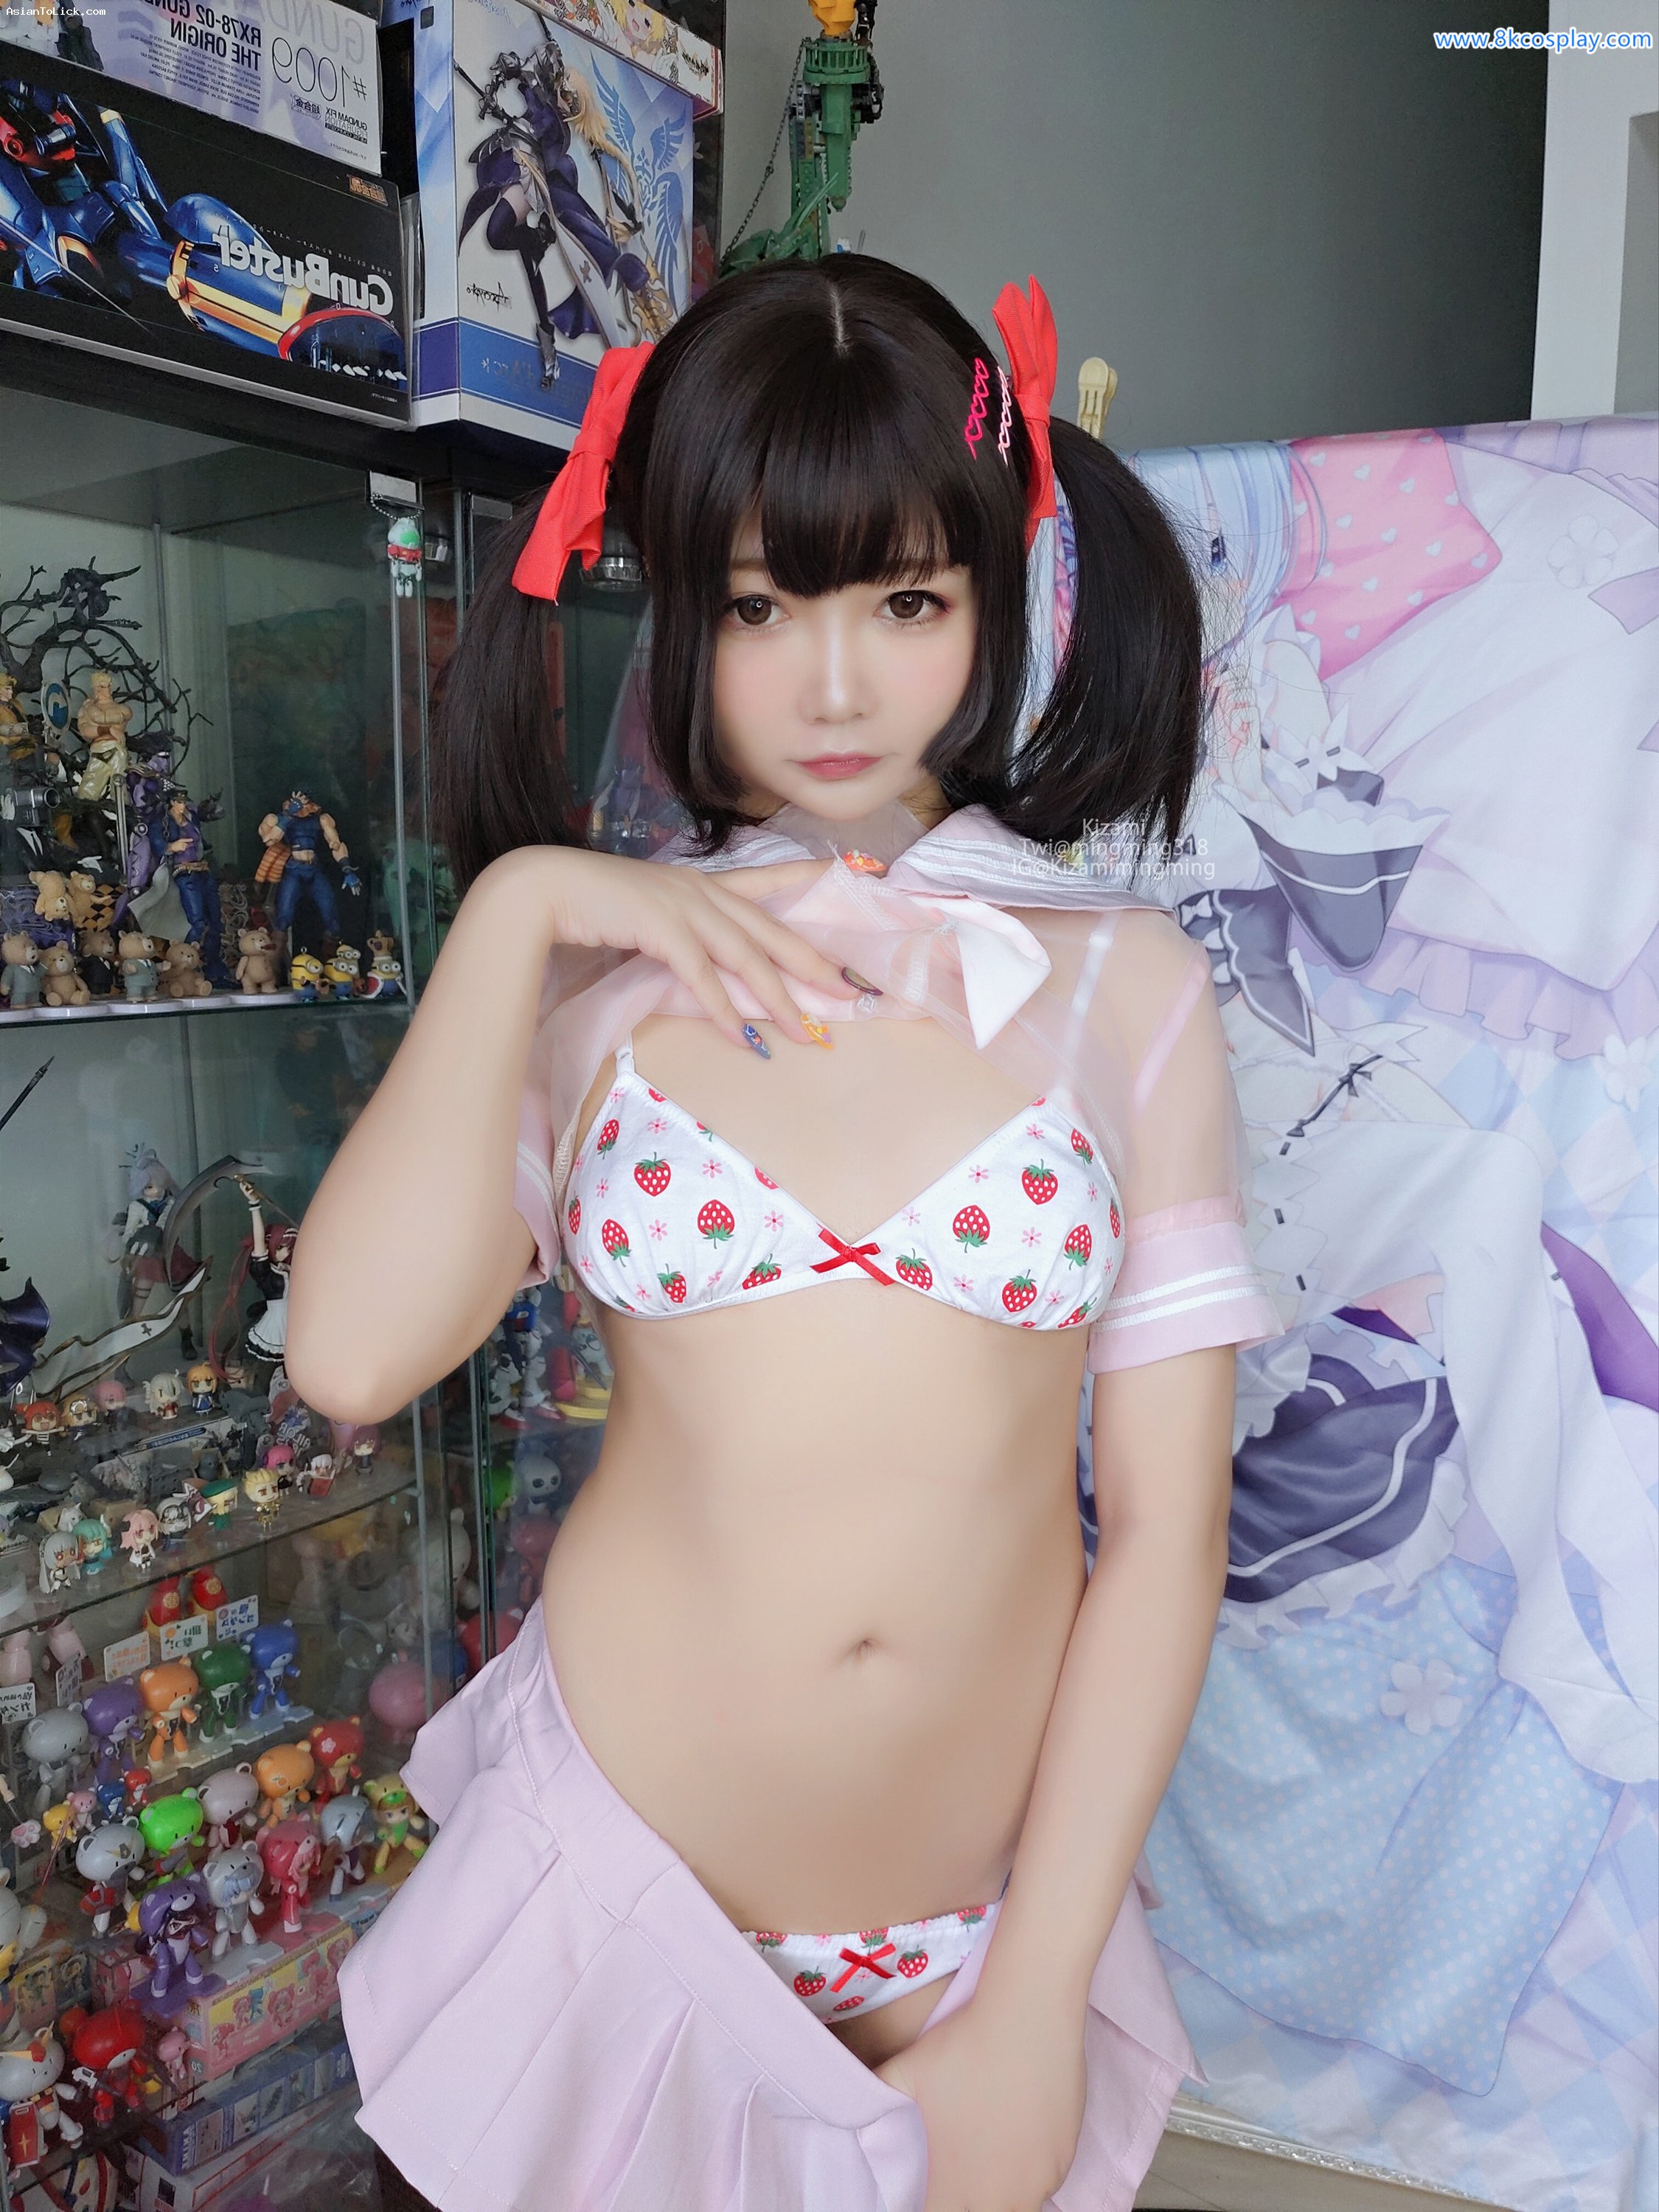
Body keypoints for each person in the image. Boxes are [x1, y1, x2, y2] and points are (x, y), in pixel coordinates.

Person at [288, 256, 1283, 2212]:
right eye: (758, 608)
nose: (835, 686)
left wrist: (1040, 1990)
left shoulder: (1125, 990)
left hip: (981, 1932)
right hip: (617, 1895)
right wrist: (517, 915)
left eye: (904, 602)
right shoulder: (582, 984)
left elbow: (1169, 1534)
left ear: (990, 595)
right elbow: (346, 1356)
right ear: (676, 608)